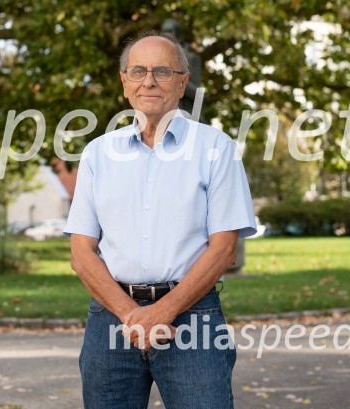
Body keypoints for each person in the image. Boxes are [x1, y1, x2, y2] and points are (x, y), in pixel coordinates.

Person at [64, 31, 257, 408]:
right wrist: (132, 316)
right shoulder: (98, 154)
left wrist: (162, 313)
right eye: (138, 71)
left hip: (192, 321)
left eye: (162, 71)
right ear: (124, 82)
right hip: (110, 322)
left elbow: (223, 250)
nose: (148, 81)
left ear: (183, 82)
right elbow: (81, 251)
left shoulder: (216, 149)